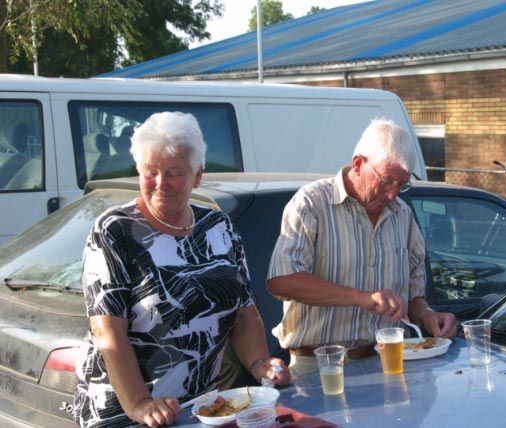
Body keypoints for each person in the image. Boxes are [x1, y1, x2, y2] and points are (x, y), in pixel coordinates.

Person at [73, 112, 290, 428]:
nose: (161, 183)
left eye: (174, 172)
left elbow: (243, 312)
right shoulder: (115, 231)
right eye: (150, 172)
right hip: (123, 413)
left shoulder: (219, 227)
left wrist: (259, 363)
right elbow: (108, 331)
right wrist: (140, 405)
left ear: (198, 175)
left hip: (198, 408)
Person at [266, 118, 457, 376]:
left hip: (386, 362)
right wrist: (362, 298)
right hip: (319, 366)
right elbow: (281, 281)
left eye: (402, 185)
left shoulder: (402, 215)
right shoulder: (312, 203)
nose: (393, 194)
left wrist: (428, 316)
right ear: (358, 164)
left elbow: (413, 296)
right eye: (387, 181)